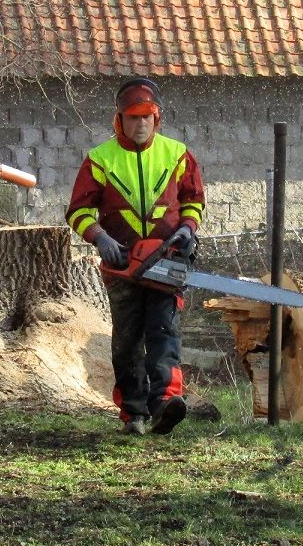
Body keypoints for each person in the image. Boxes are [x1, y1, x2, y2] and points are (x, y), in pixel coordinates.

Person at [66, 78, 205, 436]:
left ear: (157, 119)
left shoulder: (177, 154)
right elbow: (78, 211)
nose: (140, 124)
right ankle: (133, 412)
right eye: (133, 117)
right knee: (127, 340)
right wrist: (100, 237)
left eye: (147, 117)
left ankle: (164, 402)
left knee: (164, 332)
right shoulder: (100, 160)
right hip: (122, 264)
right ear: (120, 119)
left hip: (167, 261)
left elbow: (193, 200)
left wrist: (187, 228)